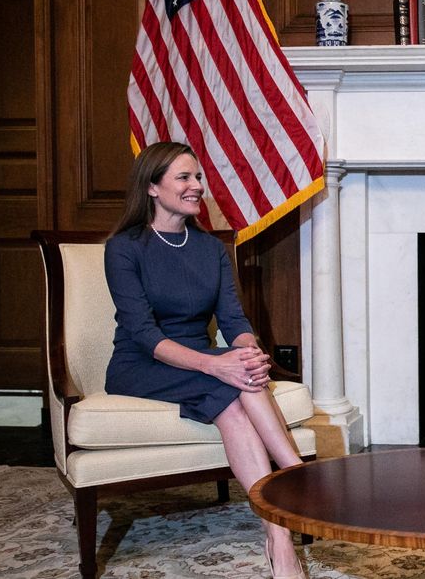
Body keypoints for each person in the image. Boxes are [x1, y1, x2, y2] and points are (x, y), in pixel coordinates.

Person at [105, 141, 306, 579]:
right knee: (231, 378)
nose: (197, 185)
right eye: (184, 177)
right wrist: (217, 364)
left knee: (235, 395)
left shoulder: (210, 248)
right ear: (152, 187)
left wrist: (248, 351)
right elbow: (143, 333)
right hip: (142, 365)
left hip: (203, 363)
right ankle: (297, 476)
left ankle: (278, 536)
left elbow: (234, 318)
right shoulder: (124, 248)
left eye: (197, 177)